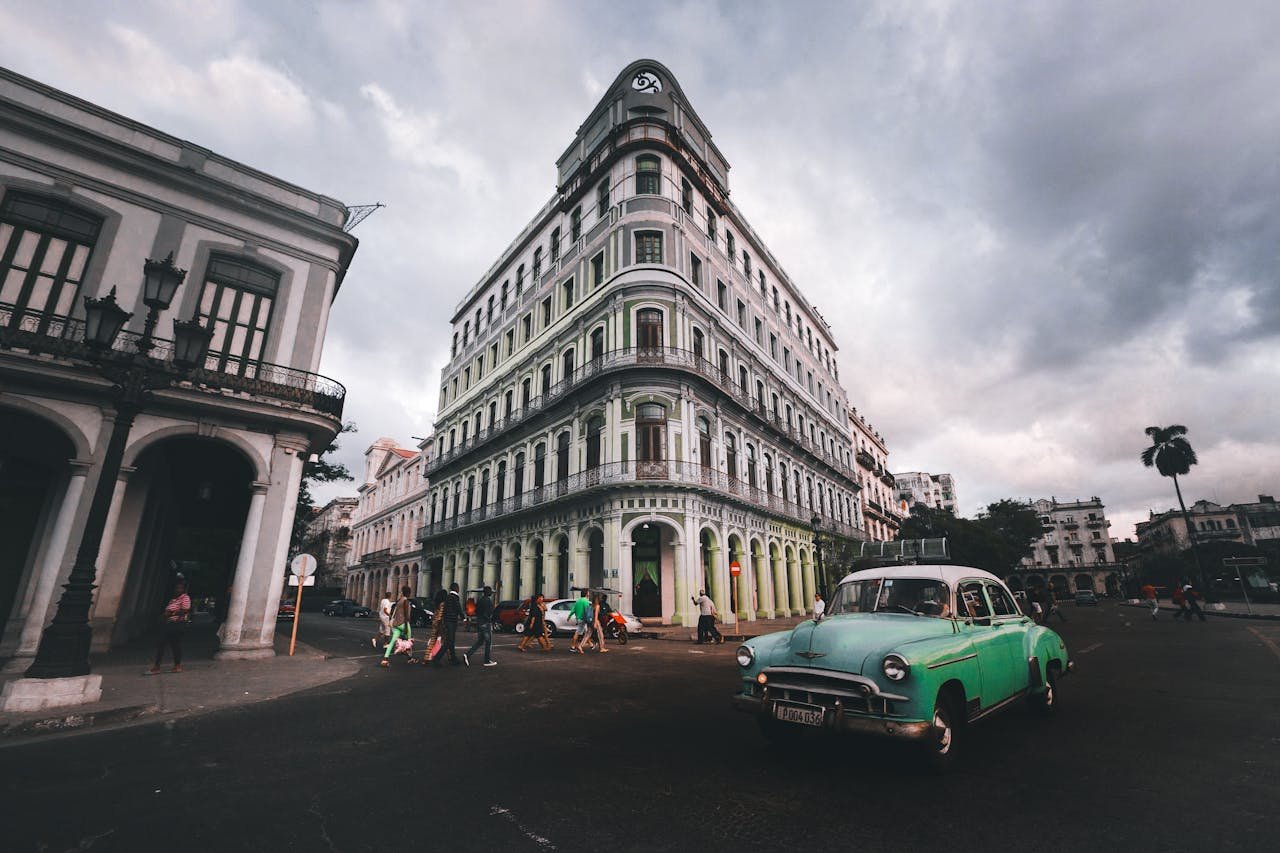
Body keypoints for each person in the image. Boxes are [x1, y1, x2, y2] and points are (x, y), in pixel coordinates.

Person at [149, 579, 191, 675]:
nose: (178, 590)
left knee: (172, 645)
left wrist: (171, 613)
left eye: (180, 588)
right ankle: (160, 666)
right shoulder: (173, 600)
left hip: (177, 624)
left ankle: (173, 666)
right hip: (168, 624)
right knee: (165, 644)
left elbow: (185, 610)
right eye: (176, 588)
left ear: (184, 590)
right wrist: (164, 615)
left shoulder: (185, 597)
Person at [464, 585, 498, 666]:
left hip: (480, 622)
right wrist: (489, 620)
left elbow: (476, 611)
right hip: (486, 623)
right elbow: (489, 613)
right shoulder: (488, 601)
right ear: (488, 592)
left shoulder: (480, 600)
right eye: (490, 591)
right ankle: (487, 660)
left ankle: (468, 655)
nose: (491, 593)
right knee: (488, 642)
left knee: (480, 641)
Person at [381, 586, 412, 667]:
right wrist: (405, 627)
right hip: (403, 624)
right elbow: (406, 615)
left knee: (392, 642)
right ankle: (410, 658)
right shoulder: (406, 601)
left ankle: (385, 659)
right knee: (409, 642)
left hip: (396, 624)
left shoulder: (399, 601)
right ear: (408, 593)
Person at [435, 582, 463, 665]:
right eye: (458, 587)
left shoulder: (448, 597)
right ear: (456, 588)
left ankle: (453, 658)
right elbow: (458, 608)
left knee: (451, 641)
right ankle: (436, 659)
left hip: (448, 621)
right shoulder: (454, 597)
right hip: (451, 621)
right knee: (449, 641)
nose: (459, 589)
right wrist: (464, 618)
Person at [570, 589, 592, 654]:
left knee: (586, 632)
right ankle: (573, 646)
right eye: (588, 593)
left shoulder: (578, 601)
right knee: (578, 633)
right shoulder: (586, 601)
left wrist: (569, 616)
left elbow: (573, 609)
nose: (589, 594)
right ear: (586, 594)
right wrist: (589, 619)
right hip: (583, 619)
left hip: (578, 618)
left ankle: (591, 644)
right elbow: (587, 611)